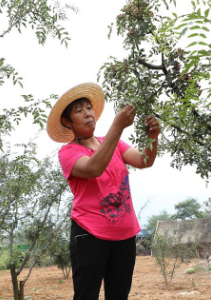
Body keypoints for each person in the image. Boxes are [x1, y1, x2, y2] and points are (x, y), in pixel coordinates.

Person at [46, 83, 160, 300]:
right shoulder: (68, 152)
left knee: (119, 296)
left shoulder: (111, 143)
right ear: (67, 122)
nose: (87, 113)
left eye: (88, 108)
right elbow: (93, 168)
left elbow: (144, 160)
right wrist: (117, 127)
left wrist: (153, 138)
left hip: (125, 235)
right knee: (86, 296)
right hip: (89, 235)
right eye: (79, 111)